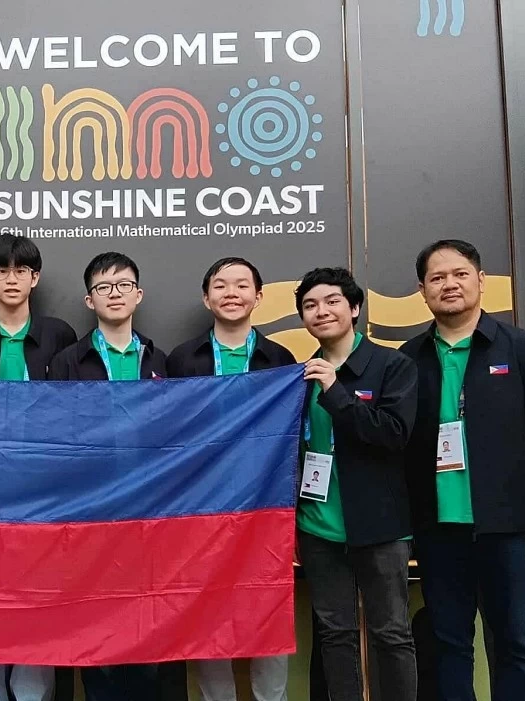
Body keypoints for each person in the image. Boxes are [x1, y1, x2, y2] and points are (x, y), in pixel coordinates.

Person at [401, 240, 525, 701]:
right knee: (449, 642)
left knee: (516, 641)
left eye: (459, 273)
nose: (449, 284)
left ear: (481, 280)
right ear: (422, 290)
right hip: (439, 528)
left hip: (511, 528)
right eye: (437, 278)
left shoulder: (523, 349)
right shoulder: (409, 357)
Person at [0, 233, 76, 701]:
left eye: (20, 270)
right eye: (0, 271)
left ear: (35, 278)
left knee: (36, 600)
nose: (11, 279)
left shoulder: (59, 334)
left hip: (42, 486)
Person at [166, 256, 295, 701]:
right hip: (201, 507)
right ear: (207, 298)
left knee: (267, 608)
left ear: (259, 296)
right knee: (207, 614)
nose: (231, 293)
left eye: (242, 285)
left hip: (265, 504)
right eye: (221, 286)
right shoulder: (183, 358)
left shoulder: (281, 360)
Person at [293, 267, 418, 701]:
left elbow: (393, 434)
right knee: (334, 634)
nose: (321, 311)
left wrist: (336, 392)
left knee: (391, 632)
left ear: (355, 308)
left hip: (380, 525)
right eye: (310, 305)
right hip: (318, 525)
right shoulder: (300, 375)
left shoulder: (392, 365)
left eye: (331, 301)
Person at [48, 252, 166, 701]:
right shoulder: (66, 362)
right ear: (89, 299)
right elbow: (57, 440)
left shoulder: (162, 360)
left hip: (149, 514)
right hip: (91, 513)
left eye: (123, 285)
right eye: (103, 287)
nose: (114, 294)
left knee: (147, 626)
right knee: (95, 625)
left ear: (138, 294)